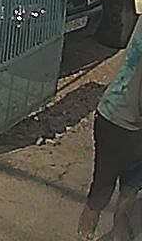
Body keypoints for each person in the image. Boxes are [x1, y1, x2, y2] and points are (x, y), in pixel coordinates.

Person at [81, 16, 142, 240]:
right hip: (116, 121)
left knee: (130, 189)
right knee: (101, 192)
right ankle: (85, 234)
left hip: (130, 122)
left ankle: (119, 234)